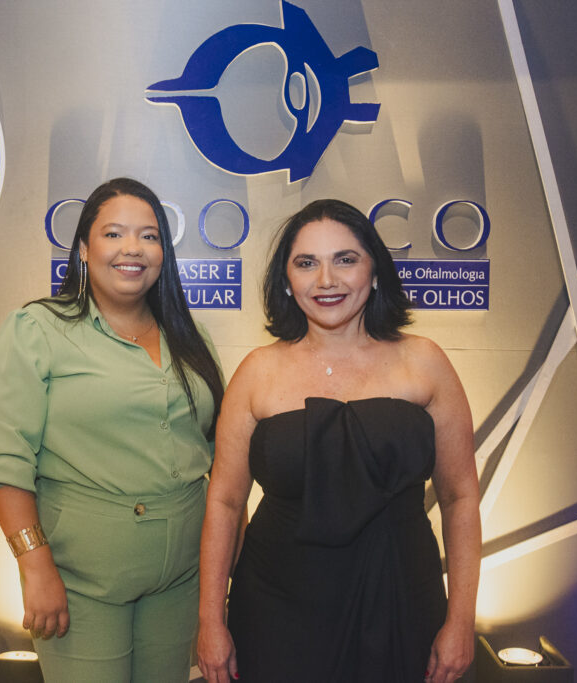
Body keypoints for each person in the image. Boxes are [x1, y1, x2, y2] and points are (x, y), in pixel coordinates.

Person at [196, 199, 480, 683]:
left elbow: (459, 497)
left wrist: (460, 620)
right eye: (306, 263)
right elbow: (224, 502)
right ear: (287, 282)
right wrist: (210, 620)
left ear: (374, 272)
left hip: (400, 600)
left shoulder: (425, 362)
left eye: (345, 259)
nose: (326, 280)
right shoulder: (257, 372)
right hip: (275, 608)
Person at [0, 177, 224, 682]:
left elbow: (217, 451)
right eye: (114, 234)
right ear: (83, 248)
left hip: (181, 579)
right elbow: (3, 460)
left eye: (149, 236)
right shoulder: (37, 329)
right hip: (79, 582)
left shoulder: (192, 336)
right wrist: (34, 566)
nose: (133, 249)